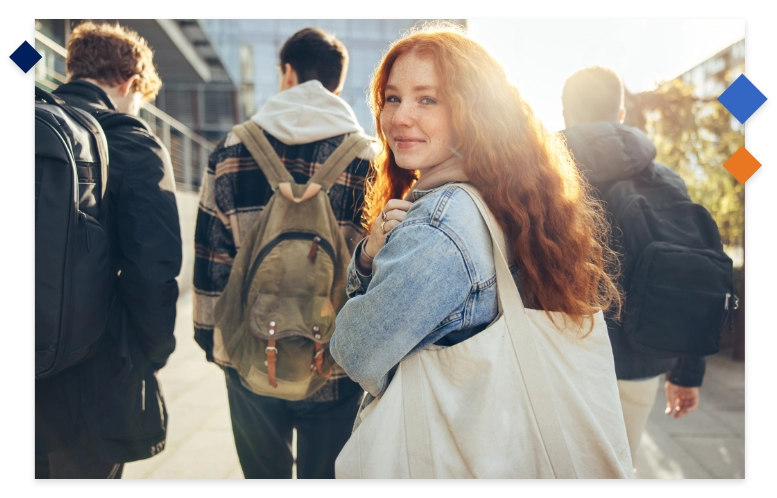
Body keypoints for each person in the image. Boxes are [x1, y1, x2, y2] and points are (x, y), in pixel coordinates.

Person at [330, 23, 631, 477]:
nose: (399, 117)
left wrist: (365, 264)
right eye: (392, 98)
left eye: (427, 99)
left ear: (474, 111)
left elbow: (355, 351)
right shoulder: (504, 195)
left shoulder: (441, 222)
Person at [193, 27, 373, 479]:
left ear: (287, 73)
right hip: (333, 360)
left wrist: (212, 340)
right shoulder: (366, 157)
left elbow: (210, 257)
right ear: (335, 82)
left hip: (252, 351)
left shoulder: (233, 148)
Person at [35, 21, 182, 479]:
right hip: (92, 378)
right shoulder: (135, 143)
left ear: (72, 68)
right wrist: (152, 354)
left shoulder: (41, 125)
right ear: (132, 83)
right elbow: (153, 271)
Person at [560, 66, 707, 465]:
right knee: (620, 465)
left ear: (566, 115)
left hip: (560, 357)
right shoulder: (667, 179)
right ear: (620, 115)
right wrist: (686, 370)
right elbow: (692, 274)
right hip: (643, 357)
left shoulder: (542, 177)